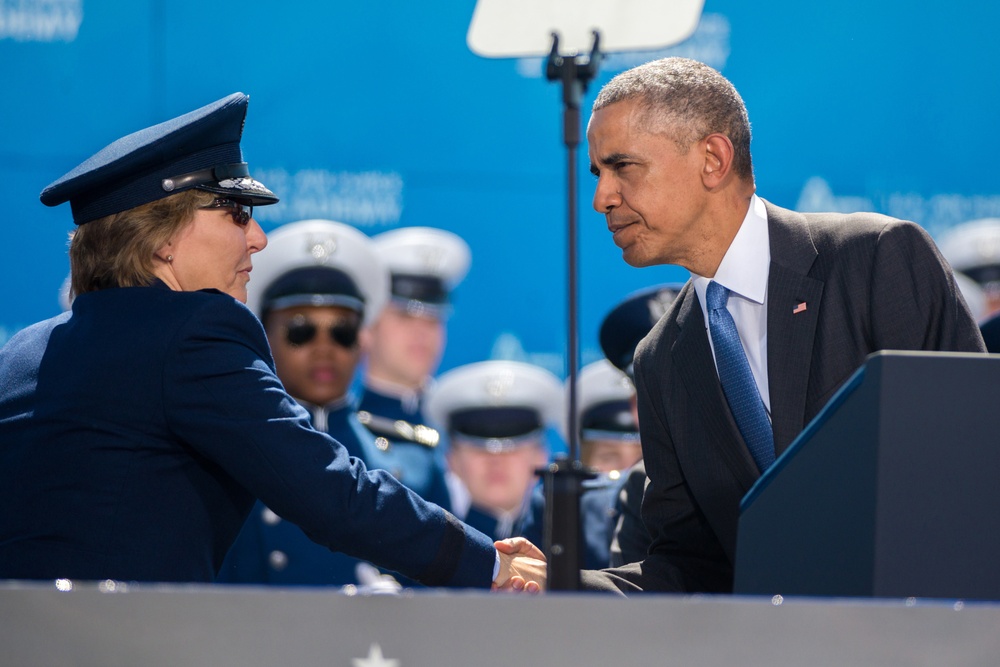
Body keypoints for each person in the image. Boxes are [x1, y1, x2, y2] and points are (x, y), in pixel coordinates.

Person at [0, 92, 544, 590]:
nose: (257, 238)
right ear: (162, 239)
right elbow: (328, 491)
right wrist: (490, 566)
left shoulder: (22, 354)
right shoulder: (193, 332)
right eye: (236, 212)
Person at [502, 57, 985, 594]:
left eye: (623, 167)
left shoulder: (876, 260)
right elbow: (690, 568)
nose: (602, 198)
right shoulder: (660, 359)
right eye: (597, 174)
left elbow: (972, 467)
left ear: (712, 159)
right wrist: (565, 584)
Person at [218, 218, 402, 586]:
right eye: (301, 330)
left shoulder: (408, 459)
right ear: (263, 333)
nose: (324, 349)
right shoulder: (225, 446)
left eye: (342, 331)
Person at [357, 227, 470, 511]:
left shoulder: (458, 434)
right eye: (405, 316)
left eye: (433, 319)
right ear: (367, 327)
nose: (422, 332)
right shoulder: (348, 435)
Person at [425, 360, 560, 542]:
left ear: (540, 458)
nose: (496, 460)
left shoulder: (569, 547)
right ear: (452, 460)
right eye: (478, 448)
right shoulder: (430, 547)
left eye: (512, 448)